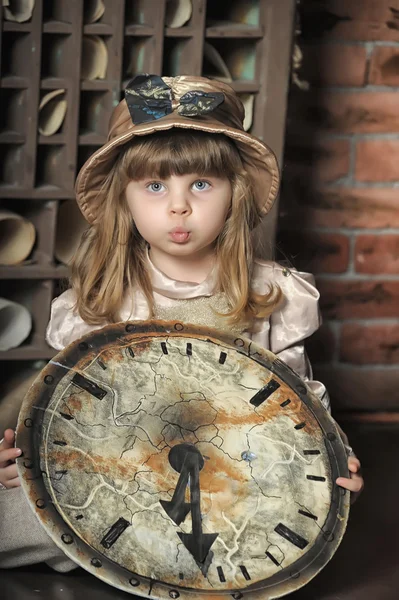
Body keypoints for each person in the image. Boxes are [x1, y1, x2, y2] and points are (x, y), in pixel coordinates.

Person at [0, 74, 363, 571]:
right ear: (123, 200)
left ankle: (155, 554)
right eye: (154, 185)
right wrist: (23, 457)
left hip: (234, 475)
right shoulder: (99, 302)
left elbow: (298, 404)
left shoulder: (273, 294)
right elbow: (70, 415)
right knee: (27, 511)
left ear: (234, 192)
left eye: (200, 183)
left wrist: (335, 457)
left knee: (310, 518)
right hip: (122, 468)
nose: (179, 205)